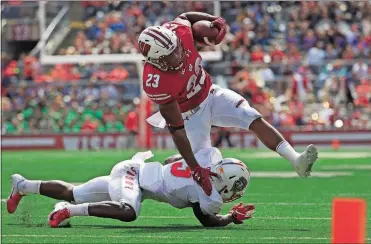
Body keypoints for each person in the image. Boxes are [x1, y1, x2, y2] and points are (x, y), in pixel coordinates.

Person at [139, 12, 318, 196]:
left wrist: (214, 20)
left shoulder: (179, 32)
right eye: (171, 55)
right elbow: (176, 130)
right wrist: (194, 167)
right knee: (202, 167)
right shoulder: (155, 82)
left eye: (177, 48)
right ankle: (177, 164)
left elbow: (185, 15)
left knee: (250, 115)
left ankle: (296, 160)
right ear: (157, 60)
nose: (178, 54)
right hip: (189, 116)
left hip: (210, 94)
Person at [7, 148, 255, 228]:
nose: (234, 194)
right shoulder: (211, 198)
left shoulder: (209, 155)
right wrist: (229, 218)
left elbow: (170, 161)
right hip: (134, 177)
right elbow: (207, 219)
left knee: (74, 192)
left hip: (137, 173)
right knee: (128, 211)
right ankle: (67, 212)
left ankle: (23, 185)